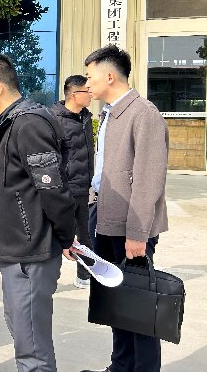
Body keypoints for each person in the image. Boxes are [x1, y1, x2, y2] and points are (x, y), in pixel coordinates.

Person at [0, 53, 76, 372]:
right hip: (16, 249)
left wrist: (65, 236)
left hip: (31, 250)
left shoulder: (29, 123)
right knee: (21, 329)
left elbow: (52, 189)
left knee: (31, 345)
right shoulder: (10, 121)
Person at [80, 46, 169, 372]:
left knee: (139, 306)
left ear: (109, 76)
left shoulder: (143, 114)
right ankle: (120, 366)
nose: (87, 84)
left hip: (131, 228)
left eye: (90, 76)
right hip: (106, 220)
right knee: (117, 302)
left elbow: (148, 180)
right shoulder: (109, 113)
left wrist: (137, 233)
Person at [50, 75, 95, 289]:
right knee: (55, 236)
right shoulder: (53, 119)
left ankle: (84, 276)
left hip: (83, 188)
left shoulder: (86, 117)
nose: (91, 95)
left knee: (85, 236)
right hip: (62, 190)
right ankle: (48, 279)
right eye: (87, 91)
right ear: (75, 94)